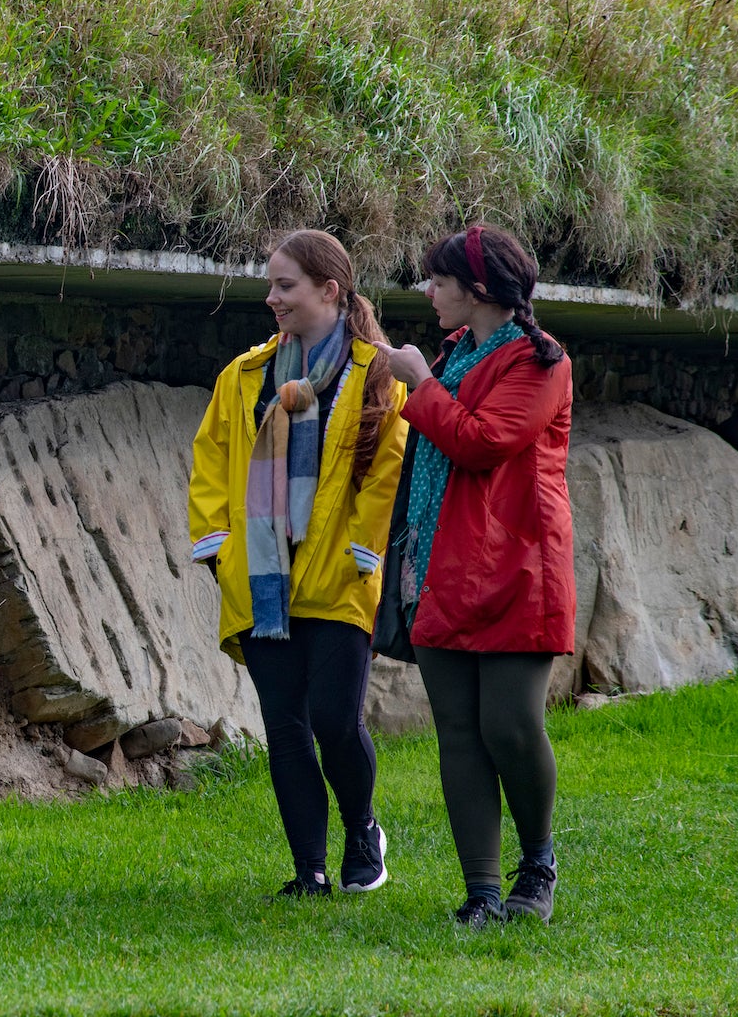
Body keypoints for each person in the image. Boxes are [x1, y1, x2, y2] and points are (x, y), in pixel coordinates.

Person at [189, 229, 409, 898]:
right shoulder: (244, 375)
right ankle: (309, 870)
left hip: (339, 577)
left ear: (329, 290)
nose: (271, 296)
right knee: (285, 729)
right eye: (271, 283)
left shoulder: (377, 370)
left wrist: (362, 550)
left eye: (285, 284)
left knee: (336, 721)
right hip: (261, 580)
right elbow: (210, 463)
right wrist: (218, 548)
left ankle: (362, 828)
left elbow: (387, 469)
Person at [375, 222, 576, 929]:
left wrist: (421, 384)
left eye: (440, 280)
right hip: (437, 566)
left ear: (480, 287)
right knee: (459, 730)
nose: (429, 292)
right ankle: (483, 892)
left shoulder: (542, 362)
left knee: (510, 725)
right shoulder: (456, 351)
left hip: (518, 568)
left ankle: (539, 863)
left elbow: (482, 442)